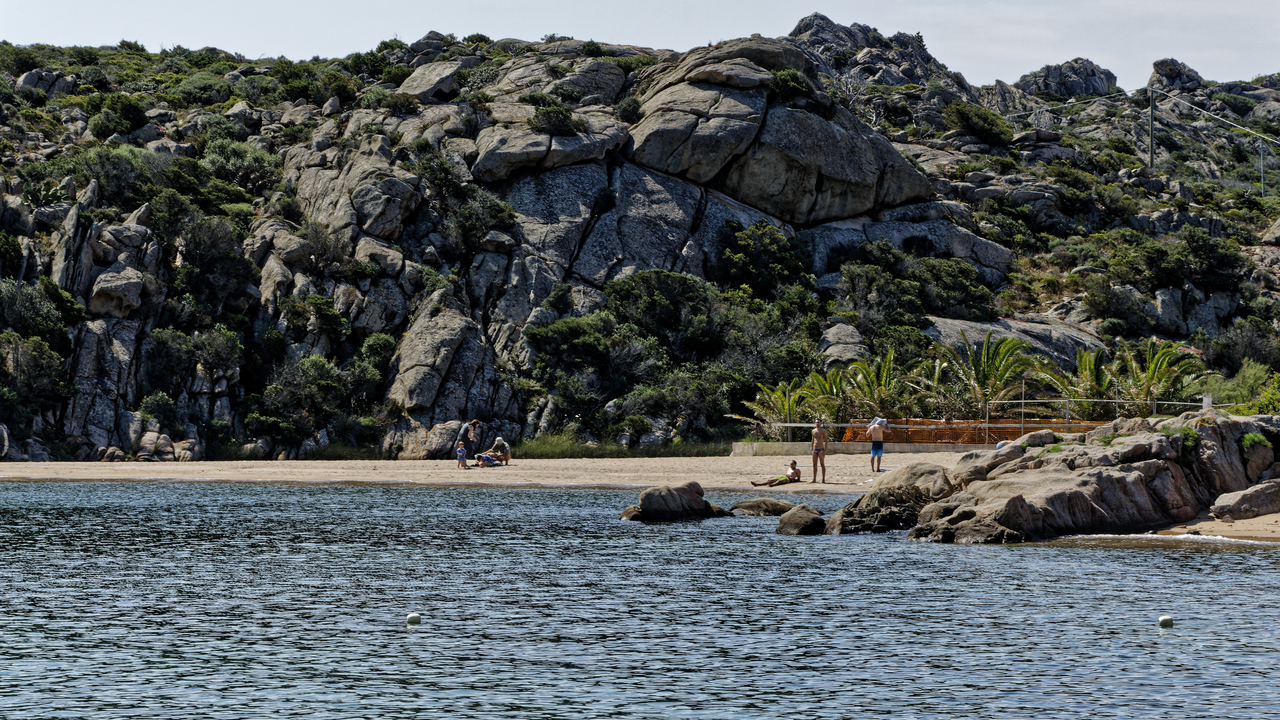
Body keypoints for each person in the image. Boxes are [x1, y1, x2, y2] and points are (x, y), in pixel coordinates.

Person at [811, 419, 829, 484]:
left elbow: (826, 441)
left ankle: (823, 479)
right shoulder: (813, 431)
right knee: (814, 465)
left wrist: (825, 450)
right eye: (816, 422)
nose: (817, 423)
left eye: (818, 422)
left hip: (821, 449)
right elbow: (813, 440)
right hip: (814, 449)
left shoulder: (823, 431)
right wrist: (812, 449)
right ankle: (814, 479)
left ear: (821, 423)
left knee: (822, 464)